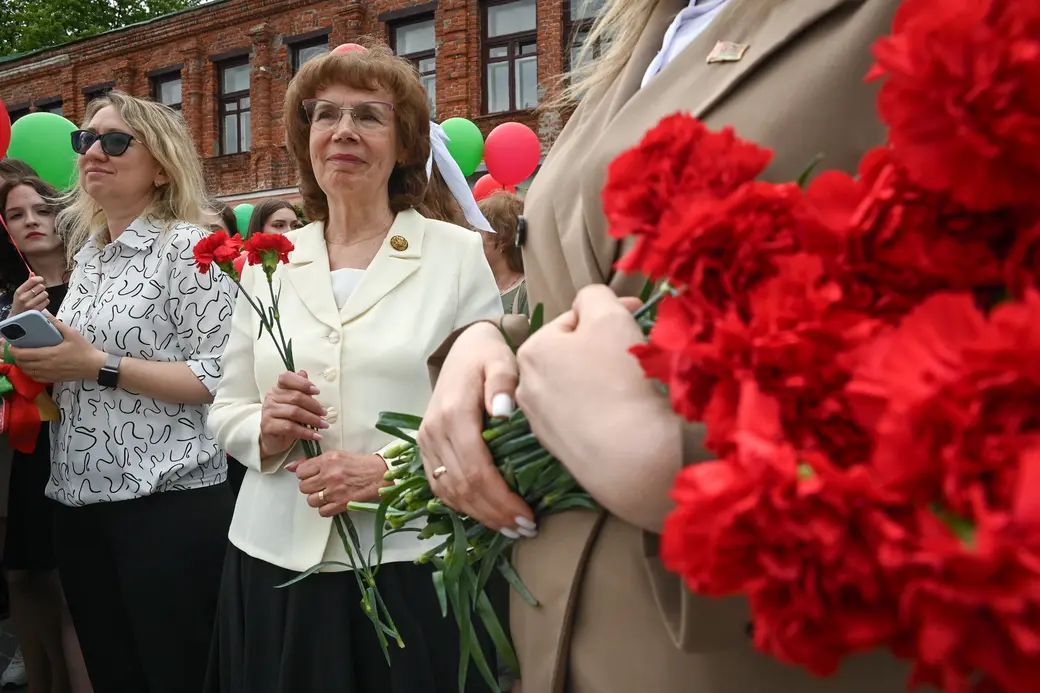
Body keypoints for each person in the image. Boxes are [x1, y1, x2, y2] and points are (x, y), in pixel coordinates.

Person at [415, 1, 919, 692]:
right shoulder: (649, 36)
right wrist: (487, 339)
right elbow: (588, 288)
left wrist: (682, 469)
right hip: (558, 643)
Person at [204, 43, 503, 693]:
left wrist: (389, 476)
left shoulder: (454, 255)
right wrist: (266, 429)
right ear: (304, 136)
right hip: (272, 561)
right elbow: (224, 408)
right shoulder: (267, 260)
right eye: (326, 114)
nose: (343, 130)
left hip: (408, 560)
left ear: (403, 144)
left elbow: (490, 421)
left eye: (369, 115)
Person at [7, 91, 236, 693]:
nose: (93, 152)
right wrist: (45, 359)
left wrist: (97, 364)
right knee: (113, 674)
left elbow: (218, 378)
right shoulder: (89, 256)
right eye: (85, 140)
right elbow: (83, 367)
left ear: (161, 165)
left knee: (176, 674)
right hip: (80, 503)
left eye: (115, 141)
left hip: (165, 504)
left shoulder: (191, 250)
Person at [0, 176, 92, 693]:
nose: (31, 221)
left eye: (40, 209)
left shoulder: (96, 280)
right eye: (16, 215)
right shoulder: (15, 294)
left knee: (72, 588)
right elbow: (10, 377)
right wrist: (13, 328)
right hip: (36, 450)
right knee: (28, 574)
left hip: (91, 445)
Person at [476, 192, 527, 316]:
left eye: (479, 230)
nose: (474, 237)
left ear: (502, 240)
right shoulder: (480, 287)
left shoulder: (526, 292)